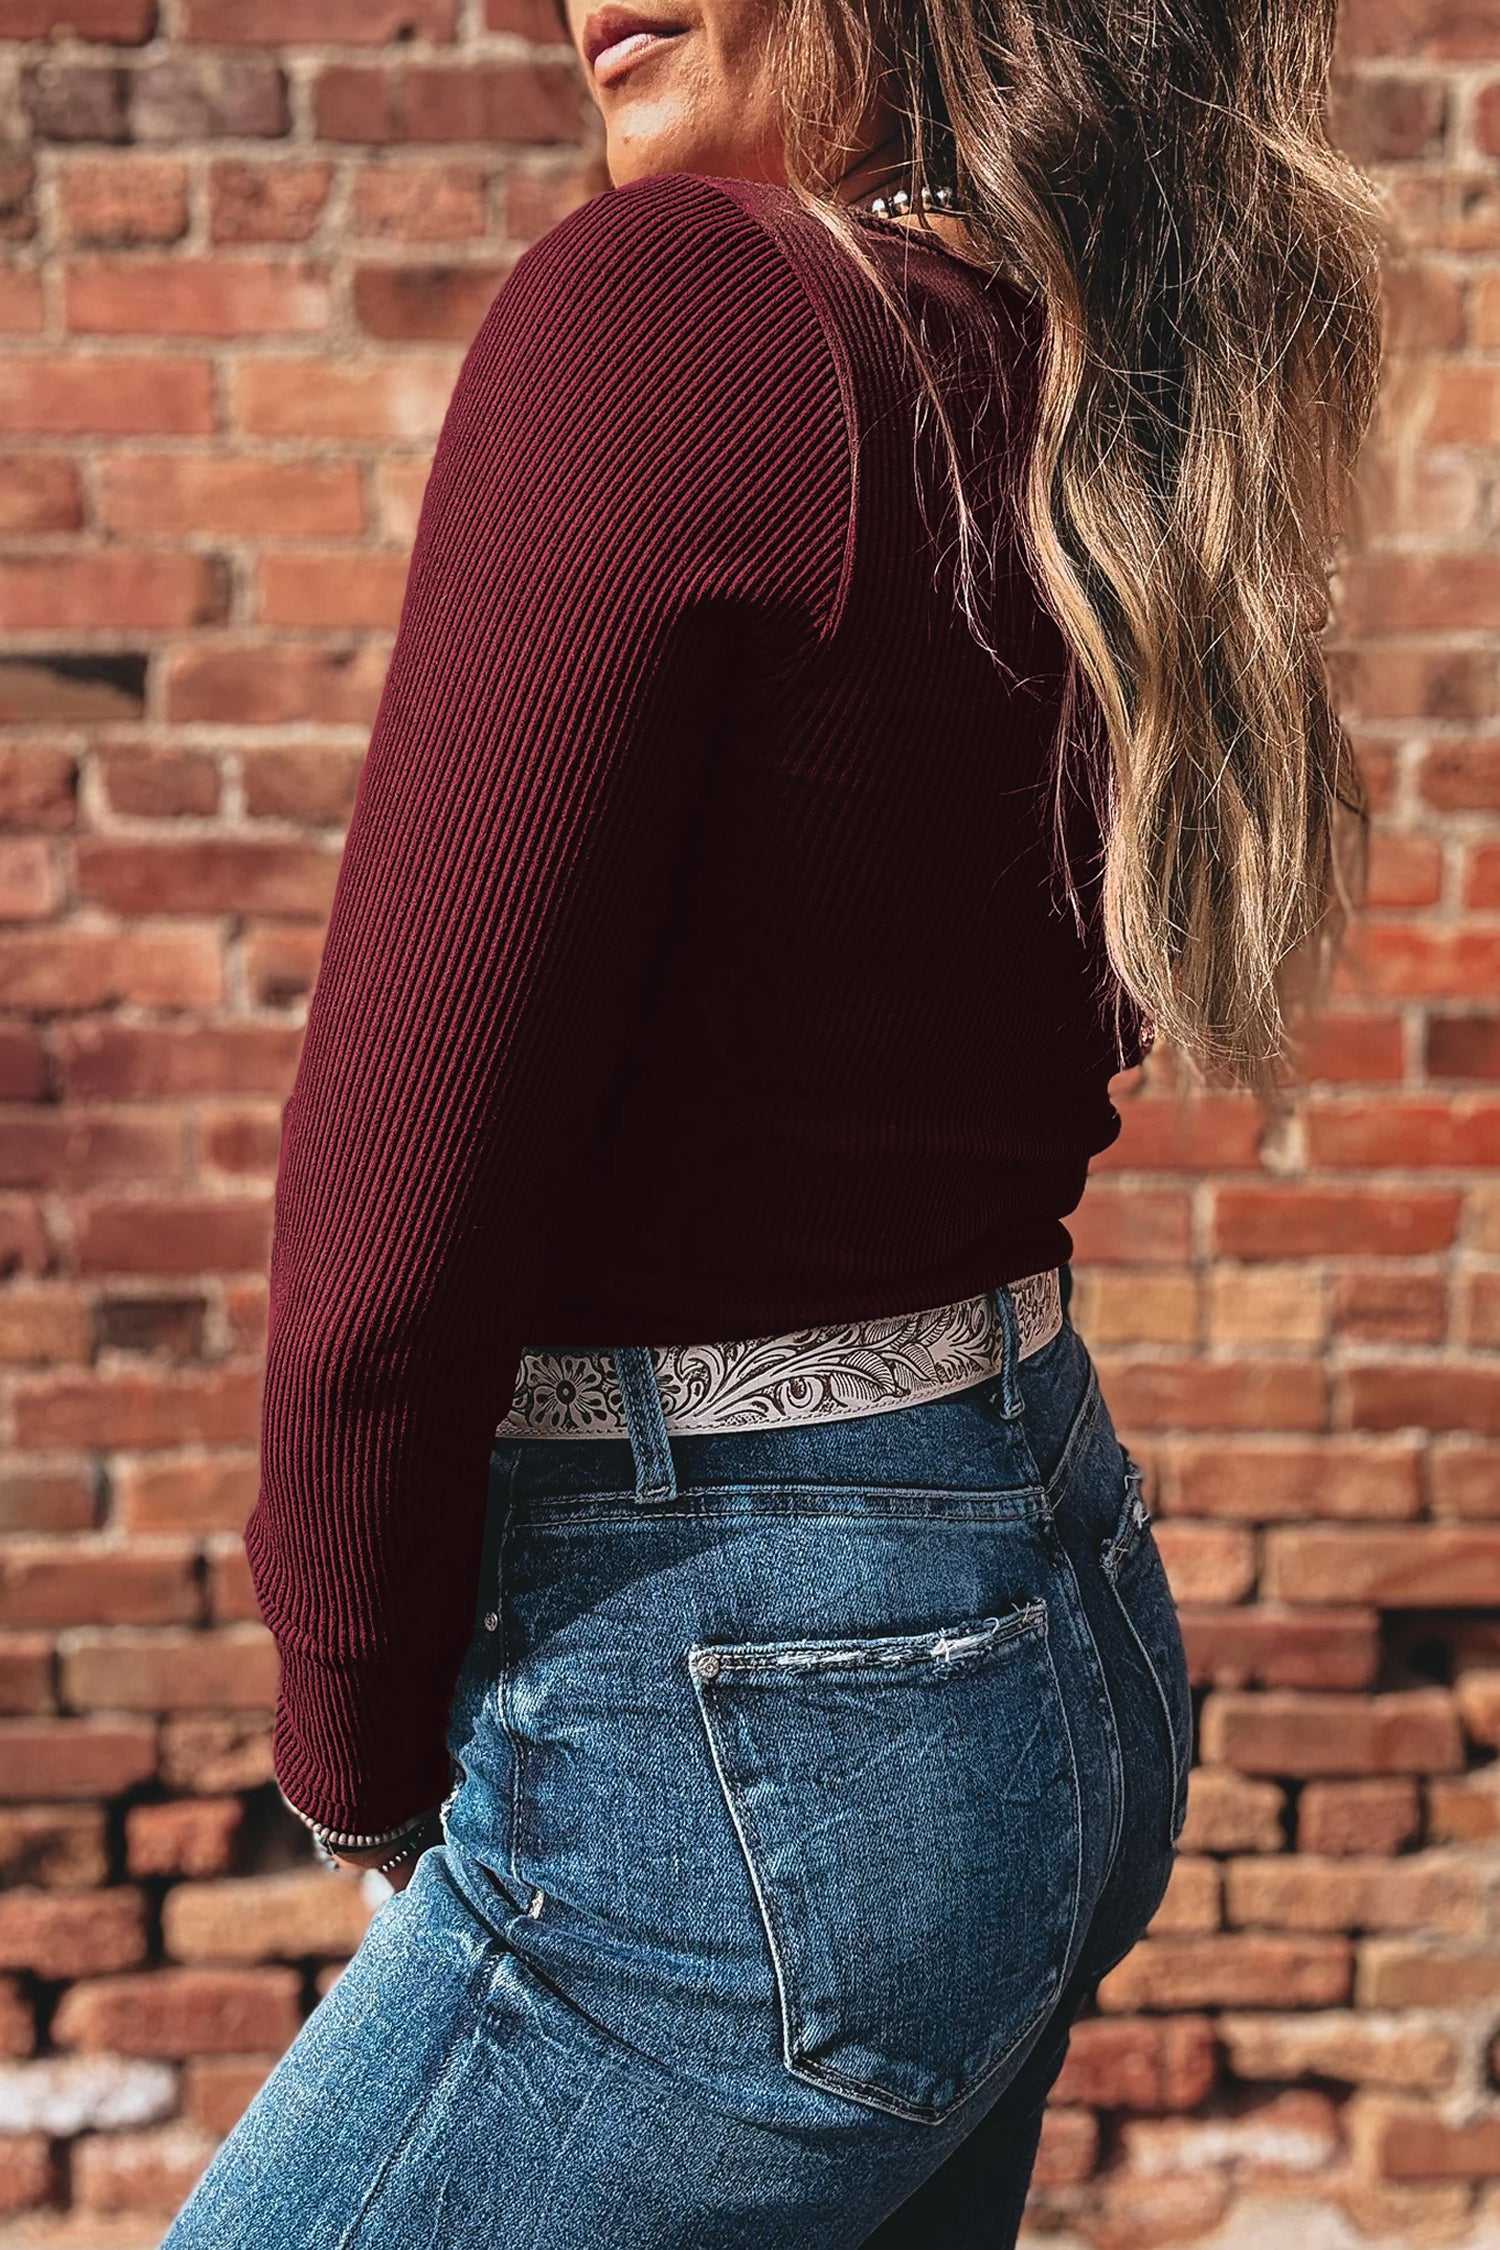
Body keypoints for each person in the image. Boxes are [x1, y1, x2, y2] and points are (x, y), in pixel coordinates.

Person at [161, 0, 1383, 2238]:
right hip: (1051, 1631)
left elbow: (383, 1230)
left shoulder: (674, 311)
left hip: (732, 1740)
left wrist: (347, 1724)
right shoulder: (1070, 384)